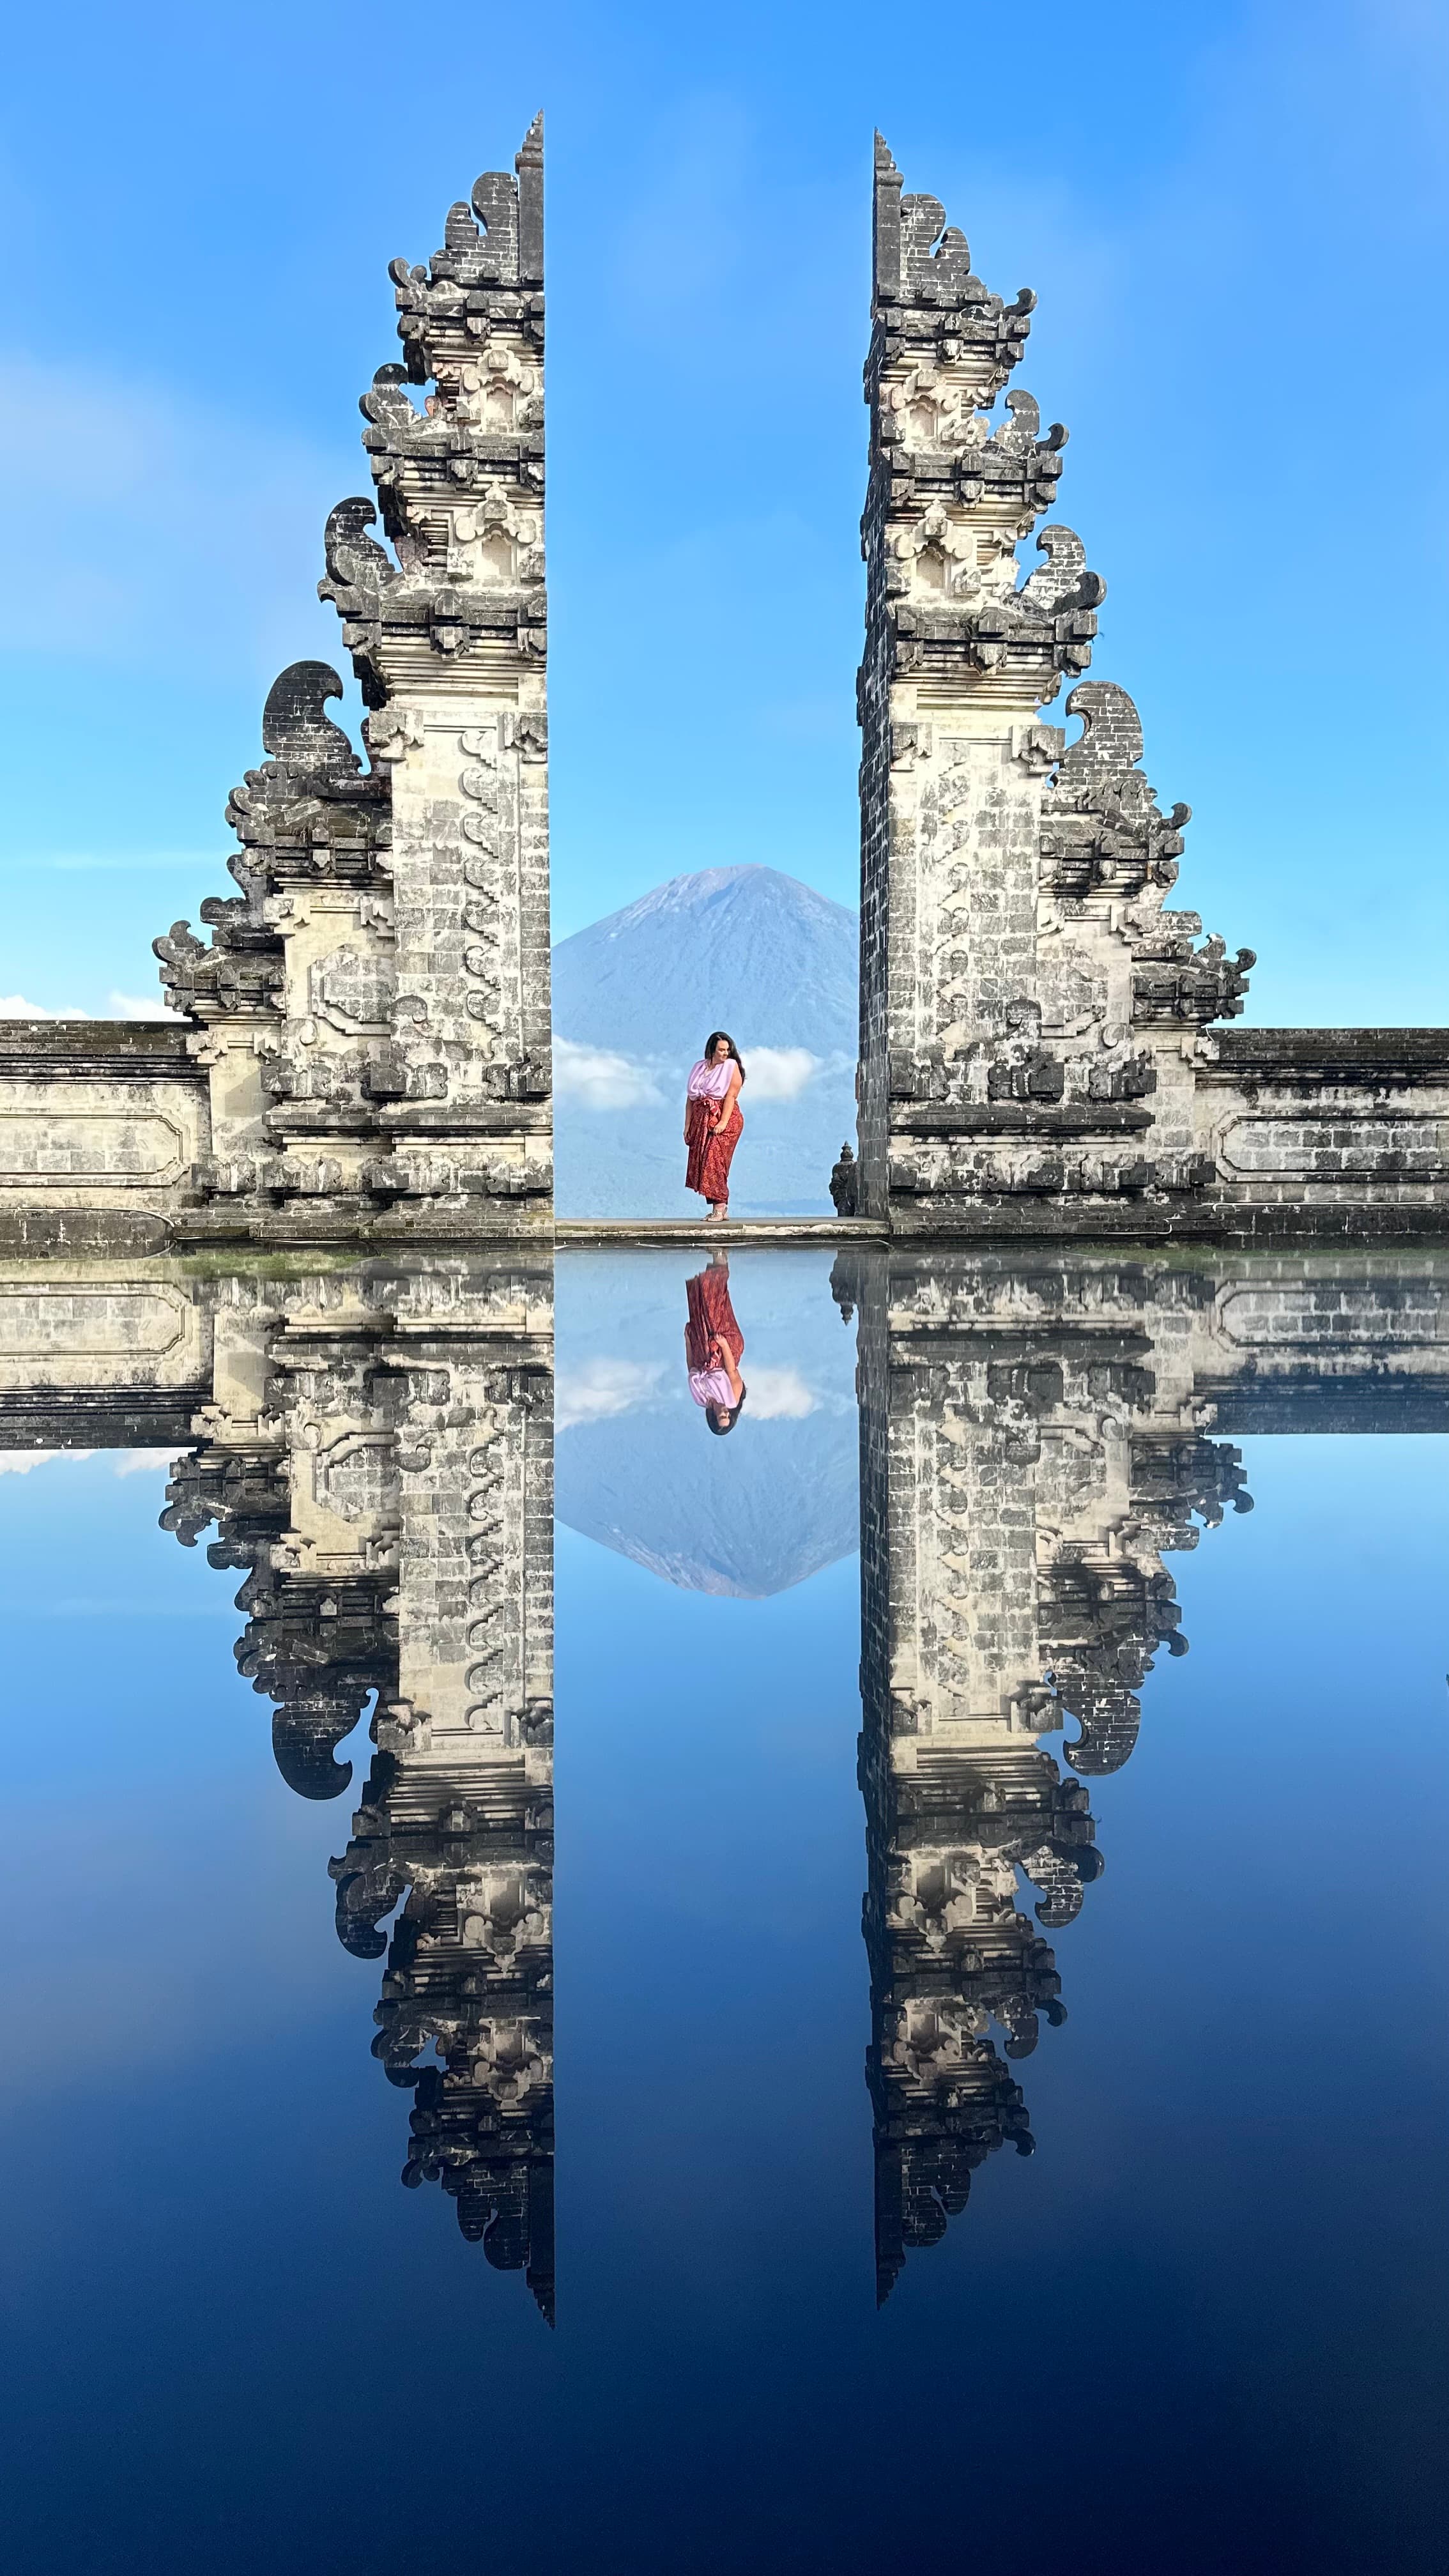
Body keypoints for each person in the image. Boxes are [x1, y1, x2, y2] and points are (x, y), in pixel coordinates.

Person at [684, 1031, 745, 1219]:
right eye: (721, 1050)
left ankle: (720, 1206)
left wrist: (723, 1123)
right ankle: (719, 1209)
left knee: (714, 1160)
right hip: (701, 1119)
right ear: (712, 1050)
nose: (725, 1053)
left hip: (724, 1117)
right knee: (703, 1161)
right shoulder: (699, 1067)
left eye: (727, 1050)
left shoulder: (731, 1066)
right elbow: (691, 1099)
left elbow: (731, 1096)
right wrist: (687, 1126)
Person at [684, 1254, 747, 1436]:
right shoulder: (733, 1398)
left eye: (722, 1416)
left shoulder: (700, 1399)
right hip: (723, 1349)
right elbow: (732, 1371)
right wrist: (724, 1344)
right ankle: (720, 1260)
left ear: (713, 1416)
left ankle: (712, 1261)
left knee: (701, 1302)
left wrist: (688, 1341)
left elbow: (691, 1367)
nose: (726, 1413)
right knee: (715, 1305)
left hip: (701, 1344)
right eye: (728, 1416)